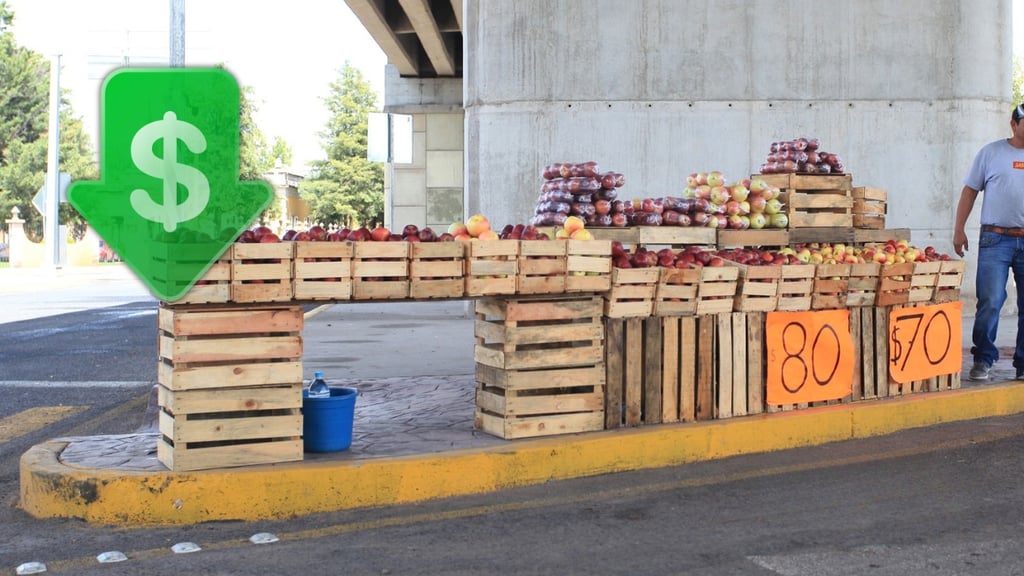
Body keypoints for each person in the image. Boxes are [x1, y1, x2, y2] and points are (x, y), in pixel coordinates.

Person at [953, 103, 1024, 381]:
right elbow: (969, 191)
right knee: (991, 300)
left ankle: (1023, 365)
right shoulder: (991, 153)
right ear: (1013, 124)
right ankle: (983, 359)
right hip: (995, 239)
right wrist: (959, 229)